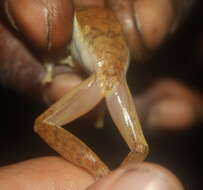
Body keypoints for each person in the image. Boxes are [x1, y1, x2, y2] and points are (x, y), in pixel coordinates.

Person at [0, 0, 201, 189]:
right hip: (114, 68)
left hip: (107, 68)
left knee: (46, 124)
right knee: (139, 147)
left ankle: (104, 174)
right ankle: (110, 176)